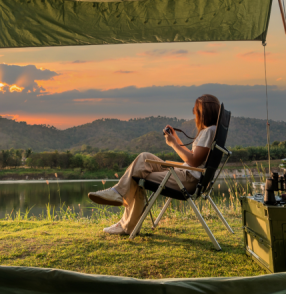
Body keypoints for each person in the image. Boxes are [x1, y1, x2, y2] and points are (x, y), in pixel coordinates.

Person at [88, 94, 221, 234]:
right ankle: (118, 198)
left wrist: (173, 144)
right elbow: (194, 158)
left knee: (139, 175)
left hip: (188, 179)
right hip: (186, 174)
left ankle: (125, 220)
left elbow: (193, 161)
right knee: (144, 158)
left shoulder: (209, 131)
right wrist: (175, 139)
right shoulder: (212, 130)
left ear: (203, 112)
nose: (194, 114)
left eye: (196, 111)